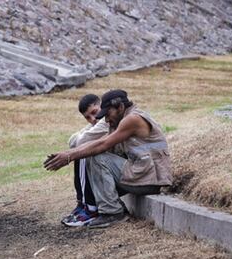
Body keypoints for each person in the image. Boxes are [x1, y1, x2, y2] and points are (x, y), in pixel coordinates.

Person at [44, 89, 172, 229]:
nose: (105, 120)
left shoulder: (132, 119)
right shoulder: (121, 120)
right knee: (89, 152)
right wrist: (68, 154)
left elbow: (103, 145)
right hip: (142, 176)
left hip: (149, 180)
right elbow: (96, 143)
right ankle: (90, 206)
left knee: (96, 156)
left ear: (120, 107)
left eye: (107, 114)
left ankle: (112, 213)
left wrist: (69, 156)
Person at [61, 94, 108, 227]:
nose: (93, 119)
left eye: (95, 112)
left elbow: (80, 141)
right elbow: (71, 141)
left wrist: (84, 136)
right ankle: (83, 204)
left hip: (123, 167)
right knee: (81, 150)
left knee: (83, 151)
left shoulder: (106, 121)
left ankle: (90, 208)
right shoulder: (97, 123)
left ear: (102, 106)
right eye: (87, 117)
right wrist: (89, 129)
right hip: (107, 165)